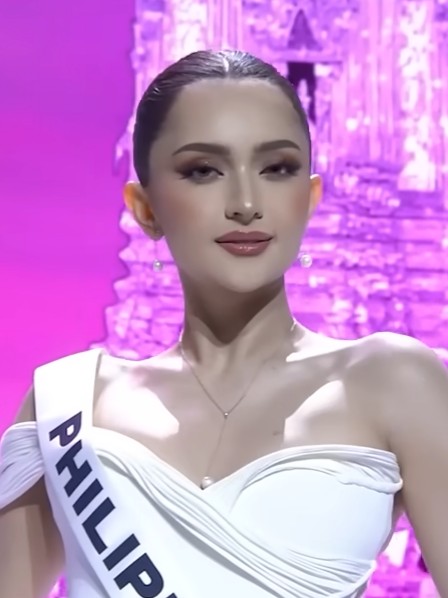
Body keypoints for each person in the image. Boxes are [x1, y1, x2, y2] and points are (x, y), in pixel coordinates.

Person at [0, 49, 447, 598]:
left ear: (309, 197)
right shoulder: (67, 404)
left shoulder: (393, 382)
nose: (245, 202)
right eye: (203, 171)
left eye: (276, 168)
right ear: (145, 208)